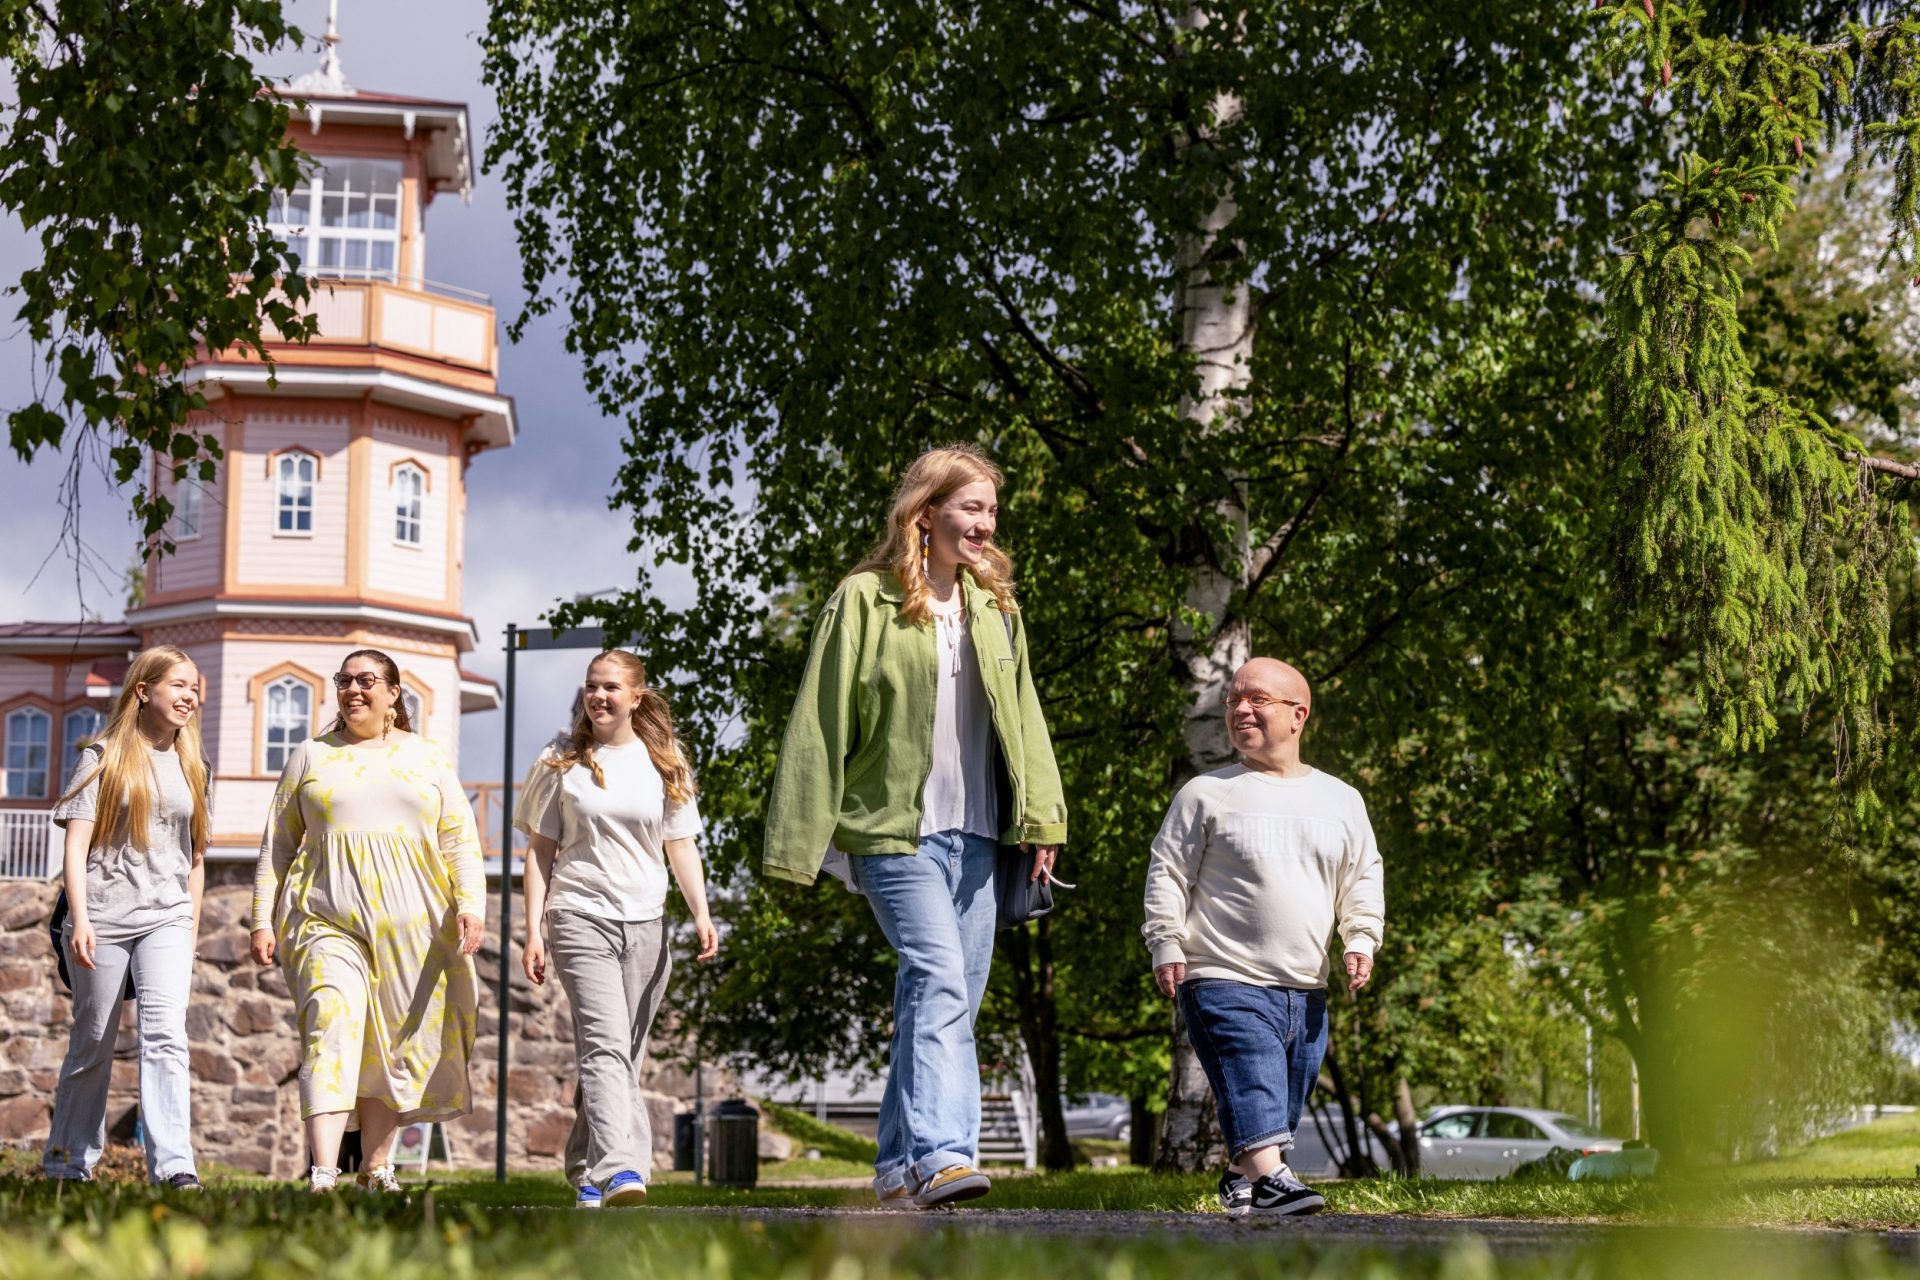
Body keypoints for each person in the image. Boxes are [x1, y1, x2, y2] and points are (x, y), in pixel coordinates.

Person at [764, 443, 1067, 1208]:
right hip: (889, 829)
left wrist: (1043, 817)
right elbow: (821, 716)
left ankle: (896, 1168)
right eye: (971, 506)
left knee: (939, 994)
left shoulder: (997, 609)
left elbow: (1025, 716)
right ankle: (944, 1155)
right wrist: (798, 838)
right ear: (924, 513)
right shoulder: (864, 599)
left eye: (992, 509)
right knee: (938, 979)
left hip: (978, 833)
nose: (985, 522)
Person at [1141, 657, 1384, 1216]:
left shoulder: (1341, 800)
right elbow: (1167, 872)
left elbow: (1362, 877)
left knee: (1283, 1098)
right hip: (1221, 974)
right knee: (1251, 1078)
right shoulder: (1206, 793)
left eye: (1257, 699)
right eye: (1232, 700)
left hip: (1305, 986)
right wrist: (1166, 941)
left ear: (1299, 715)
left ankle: (1239, 1172)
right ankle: (1275, 1181)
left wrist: (1360, 940)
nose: (1240, 709)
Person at [250, 648, 485, 1194]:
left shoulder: (427, 757)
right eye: (344, 680)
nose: (353, 689)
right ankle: (324, 1173)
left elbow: (460, 841)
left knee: (389, 1045)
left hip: (415, 931)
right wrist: (262, 918)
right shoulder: (310, 755)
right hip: (323, 918)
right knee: (331, 1023)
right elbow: (277, 845)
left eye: (366, 680)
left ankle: (376, 1169)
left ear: (393, 693)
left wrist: (471, 904)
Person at [518, 650, 719, 1210]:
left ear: (636, 697)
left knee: (620, 1054)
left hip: (647, 922)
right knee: (605, 1047)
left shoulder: (664, 759)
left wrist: (701, 914)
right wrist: (533, 930)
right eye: (590, 687)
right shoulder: (561, 760)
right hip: (580, 915)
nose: (598, 697)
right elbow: (540, 850)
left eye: (610, 688)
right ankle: (622, 1169)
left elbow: (680, 844)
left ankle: (584, 1170)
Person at [43, 645, 210, 1189]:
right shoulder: (102, 755)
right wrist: (82, 920)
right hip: (104, 918)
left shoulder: (194, 764)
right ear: (144, 691)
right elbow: (76, 847)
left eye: (194, 687)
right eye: (178, 686)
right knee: (92, 1042)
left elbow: (196, 856)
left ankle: (174, 1166)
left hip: (168, 917)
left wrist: (192, 928)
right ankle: (68, 1163)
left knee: (166, 1036)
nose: (190, 697)